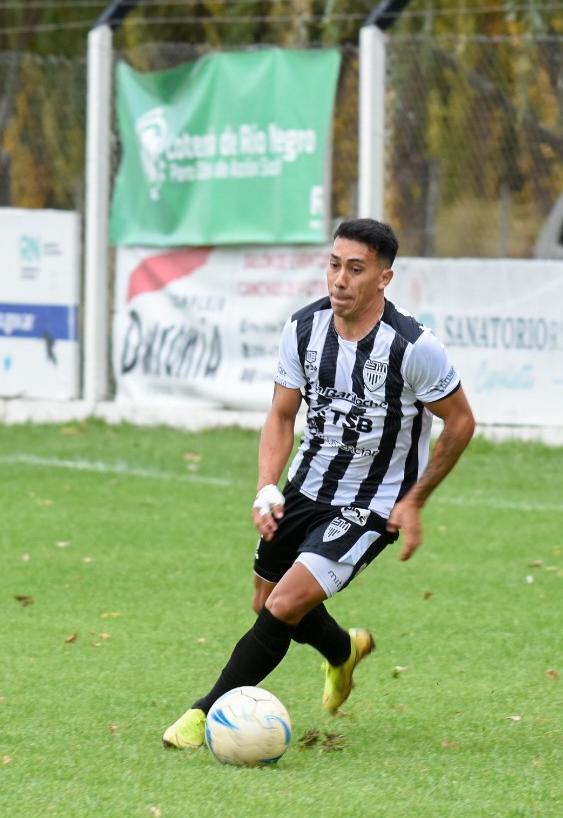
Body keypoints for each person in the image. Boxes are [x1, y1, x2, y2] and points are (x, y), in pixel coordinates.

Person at [163, 217, 477, 749]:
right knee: (267, 604)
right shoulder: (303, 330)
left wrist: (416, 500)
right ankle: (341, 651)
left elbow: (462, 420)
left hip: (372, 504)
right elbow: (282, 416)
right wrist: (267, 486)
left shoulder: (412, 347)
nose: (339, 280)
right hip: (306, 488)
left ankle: (205, 712)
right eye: (334, 265)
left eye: (356, 269)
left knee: (285, 604)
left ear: (384, 278)